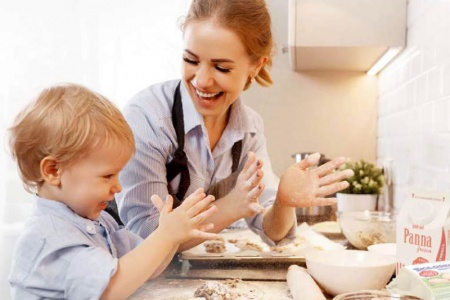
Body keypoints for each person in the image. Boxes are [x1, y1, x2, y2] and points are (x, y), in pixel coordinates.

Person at [117, 0, 353, 251]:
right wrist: (232, 205)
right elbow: (148, 234)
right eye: (191, 60)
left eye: (221, 67)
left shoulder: (249, 129)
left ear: (255, 66)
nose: (202, 80)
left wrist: (283, 202)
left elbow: (271, 230)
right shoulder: (149, 117)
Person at [7, 84, 218, 300]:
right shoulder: (49, 239)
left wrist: (171, 237)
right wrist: (165, 237)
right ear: (53, 171)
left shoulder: (100, 222)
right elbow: (111, 289)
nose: (118, 187)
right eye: (107, 176)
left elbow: (148, 268)